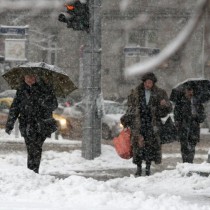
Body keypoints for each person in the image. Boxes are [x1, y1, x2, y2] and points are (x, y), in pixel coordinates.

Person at [121, 72, 172, 176]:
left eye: (150, 82)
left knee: (150, 146)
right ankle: (138, 168)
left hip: (152, 123)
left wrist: (164, 105)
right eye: (147, 82)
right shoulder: (136, 92)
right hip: (138, 123)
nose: (148, 84)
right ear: (143, 82)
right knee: (138, 146)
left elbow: (168, 109)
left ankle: (148, 167)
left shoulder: (160, 93)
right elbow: (129, 106)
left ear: (153, 83)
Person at [5, 74, 58, 173]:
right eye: (27, 77)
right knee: (30, 147)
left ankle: (34, 170)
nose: (30, 79)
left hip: (41, 124)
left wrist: (43, 102)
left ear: (36, 78)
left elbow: (54, 105)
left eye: (32, 77)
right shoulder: (21, 91)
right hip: (26, 124)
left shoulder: (45, 89)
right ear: (24, 78)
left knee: (36, 147)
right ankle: (31, 170)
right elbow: (14, 108)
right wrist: (10, 124)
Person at [174, 86, 206, 163]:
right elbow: (176, 115)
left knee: (192, 147)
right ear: (185, 91)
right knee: (184, 147)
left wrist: (197, 116)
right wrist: (183, 118)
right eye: (188, 90)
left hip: (194, 128)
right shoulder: (180, 102)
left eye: (191, 90)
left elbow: (202, 116)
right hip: (183, 128)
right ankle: (185, 164)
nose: (190, 92)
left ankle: (190, 163)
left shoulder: (197, 102)